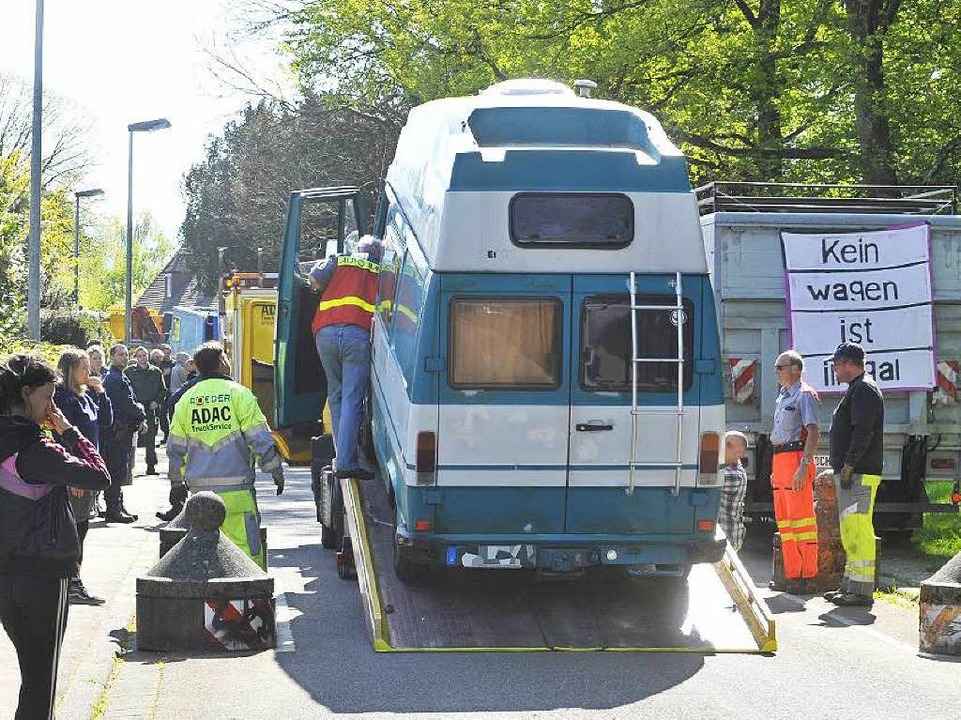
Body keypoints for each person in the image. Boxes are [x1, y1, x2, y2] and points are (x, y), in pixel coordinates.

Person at [0, 354, 110, 720]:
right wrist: (68, 430)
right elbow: (99, 476)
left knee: (29, 669)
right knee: (39, 678)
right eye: (47, 398)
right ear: (26, 394)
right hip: (42, 572)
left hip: (4, 571)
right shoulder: (37, 449)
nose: (52, 406)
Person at [167, 343, 284, 568]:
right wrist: (275, 470)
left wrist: (176, 483)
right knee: (247, 558)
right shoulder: (240, 395)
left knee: (205, 560)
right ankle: (250, 600)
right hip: (237, 495)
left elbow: (175, 449)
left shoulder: (187, 401)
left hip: (200, 500)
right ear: (221, 363)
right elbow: (259, 439)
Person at [309, 235, 383, 480]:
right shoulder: (383, 272)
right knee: (353, 398)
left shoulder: (341, 260)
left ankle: (341, 455)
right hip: (357, 335)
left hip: (325, 332)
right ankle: (346, 462)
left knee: (337, 395)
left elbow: (314, 279)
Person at [823, 342, 884, 608]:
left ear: (848, 363)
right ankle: (850, 585)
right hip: (853, 472)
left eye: (836, 365)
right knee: (850, 531)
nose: (835, 370)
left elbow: (863, 432)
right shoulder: (855, 389)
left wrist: (848, 465)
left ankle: (860, 591)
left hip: (859, 472)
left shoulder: (864, 390)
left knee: (859, 529)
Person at [54, 349, 114, 605]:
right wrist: (73, 476)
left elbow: (106, 422)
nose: (89, 373)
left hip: (89, 473)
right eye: (84, 368)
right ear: (70, 370)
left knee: (82, 527)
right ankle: (71, 583)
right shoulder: (63, 399)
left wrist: (101, 393)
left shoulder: (85, 397)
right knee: (75, 529)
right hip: (76, 475)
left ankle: (73, 580)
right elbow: (61, 439)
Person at [769, 349, 820, 594]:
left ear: (796, 370)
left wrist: (804, 466)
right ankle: (793, 576)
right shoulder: (782, 396)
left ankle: (807, 575)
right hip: (780, 459)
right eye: (777, 367)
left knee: (803, 523)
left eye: (780, 367)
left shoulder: (804, 395)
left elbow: (813, 431)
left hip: (796, 458)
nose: (776, 371)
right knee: (786, 523)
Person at [102, 344, 146, 523]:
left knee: (120, 470)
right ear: (112, 356)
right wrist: (141, 412)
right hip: (117, 432)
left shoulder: (119, 376)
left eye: (126, 355)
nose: (124, 357)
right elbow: (126, 403)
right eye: (120, 354)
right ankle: (113, 510)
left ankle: (117, 506)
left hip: (123, 431)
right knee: (116, 469)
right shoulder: (114, 378)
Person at [125, 346, 165, 475]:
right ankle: (128, 467)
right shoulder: (129, 371)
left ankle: (151, 466)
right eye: (140, 356)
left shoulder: (156, 371)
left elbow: (162, 390)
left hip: (149, 408)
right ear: (136, 357)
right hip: (134, 408)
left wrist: (157, 401)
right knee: (130, 439)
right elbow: (125, 389)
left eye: (145, 355)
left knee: (150, 439)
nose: (143, 358)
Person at [718, 431, 749, 553]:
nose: (723, 447)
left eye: (729, 445)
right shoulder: (733, 466)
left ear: (740, 453)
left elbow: (703, 479)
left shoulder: (734, 475)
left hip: (728, 536)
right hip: (727, 534)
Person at [153, 346, 173, 444]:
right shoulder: (160, 365)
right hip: (162, 392)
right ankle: (166, 434)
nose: (165, 355)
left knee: (172, 414)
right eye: (164, 353)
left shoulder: (173, 364)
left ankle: (172, 435)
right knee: (162, 415)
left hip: (172, 392)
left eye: (167, 352)